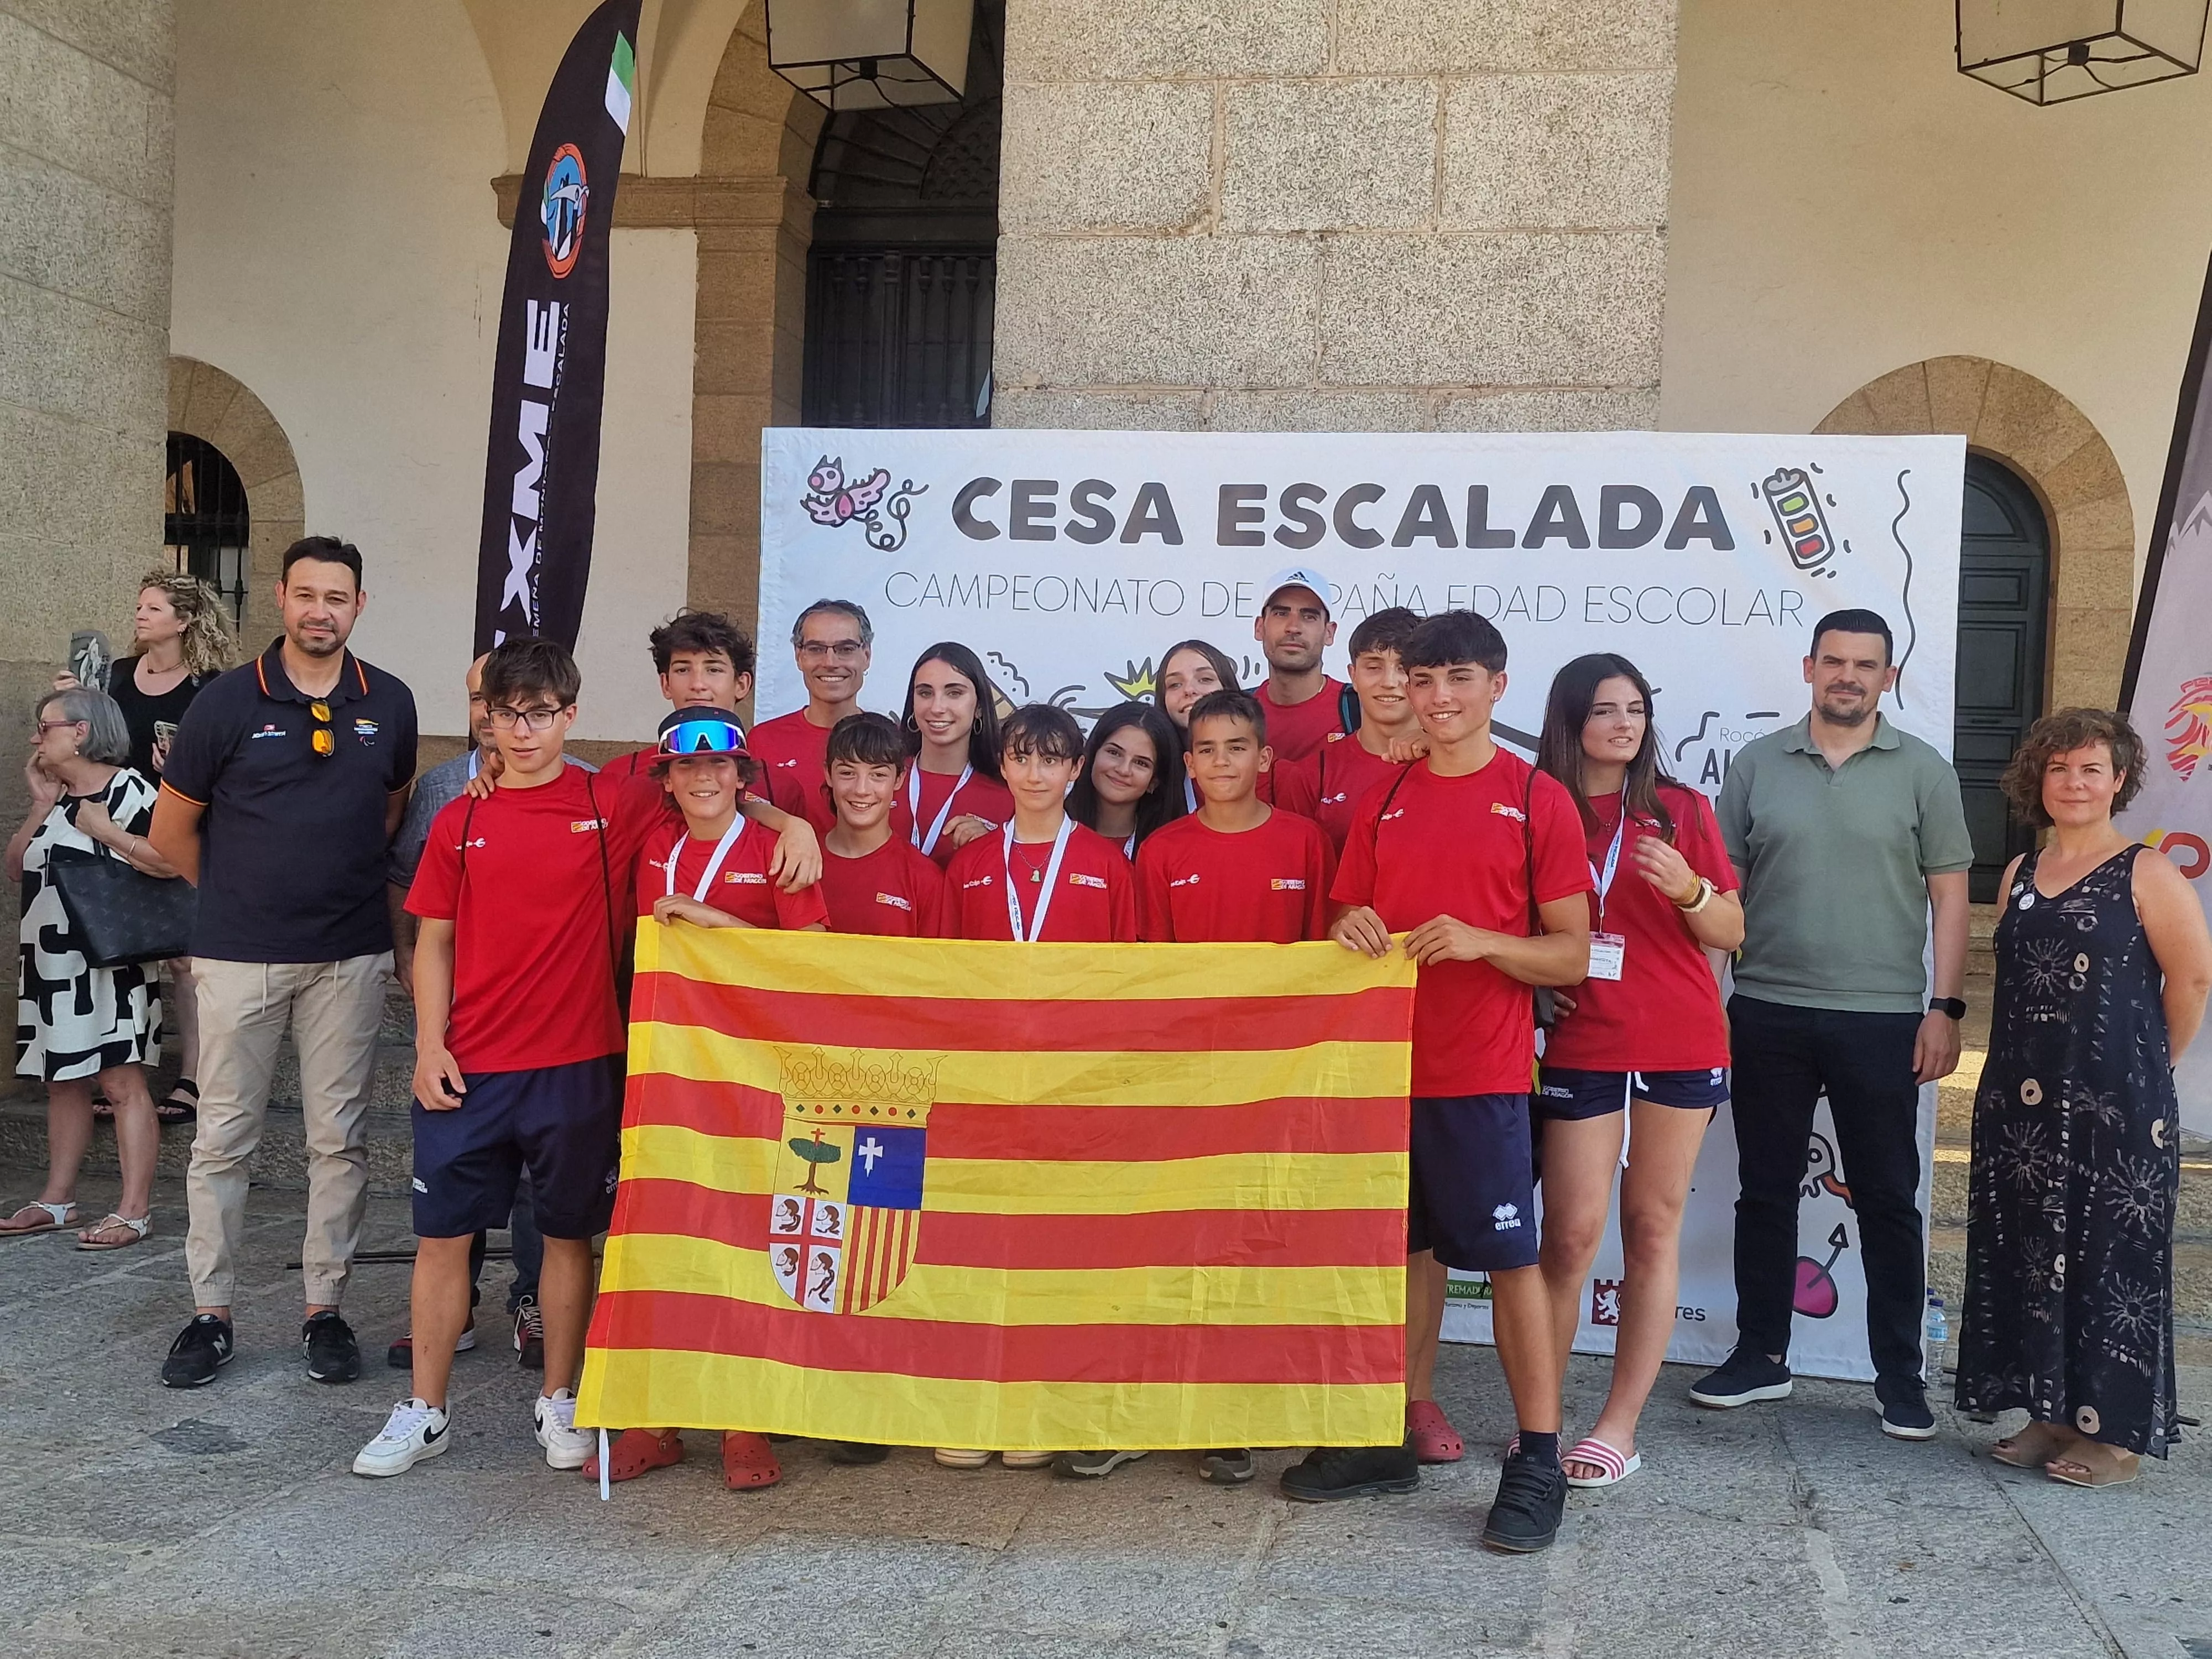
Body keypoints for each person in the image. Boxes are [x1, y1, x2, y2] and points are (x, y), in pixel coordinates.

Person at [1304, 609, 1591, 1556]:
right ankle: (1386, 1435)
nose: (1439, 698)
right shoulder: (1387, 796)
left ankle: (1539, 1460)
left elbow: (1572, 955)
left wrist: (1482, 942)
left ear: (1498, 687)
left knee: (1510, 1265)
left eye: (1459, 679)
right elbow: (1351, 908)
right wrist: (1349, 925)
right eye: (1423, 682)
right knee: (1400, 1255)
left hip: (1482, 1076)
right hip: (1386, 1071)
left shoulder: (1536, 796)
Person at [355, 638, 659, 1478]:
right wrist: (426, 1046)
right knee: (444, 1238)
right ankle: (425, 1410)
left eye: (540, 713)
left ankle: (560, 1399)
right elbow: (433, 943)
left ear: (570, 714)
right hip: (471, 1065)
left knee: (567, 1237)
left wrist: (784, 825)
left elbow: (718, 786)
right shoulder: (461, 815)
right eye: (506, 714)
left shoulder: (614, 803)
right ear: (484, 717)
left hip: (577, 1063)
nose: (522, 731)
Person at [1693, 608, 1973, 1442]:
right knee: (1765, 1192)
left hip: (1884, 1018)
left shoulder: (1924, 771)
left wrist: (1946, 1008)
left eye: (1866, 664)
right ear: (1809, 668)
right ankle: (1760, 1357)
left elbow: (1951, 898)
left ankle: (1899, 1379)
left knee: (1889, 1199)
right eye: (1835, 661)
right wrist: (1708, 1006)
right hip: (1768, 1008)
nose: (1848, 675)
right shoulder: (1757, 765)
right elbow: (1720, 900)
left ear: (1889, 677)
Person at [150, 536, 419, 1390]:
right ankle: (211, 1314)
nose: (320, 611)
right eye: (306, 595)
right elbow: (169, 833)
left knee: (337, 1142)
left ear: (359, 605)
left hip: (348, 955)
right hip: (240, 957)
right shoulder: (227, 704)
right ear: (281, 598)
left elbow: (388, 814)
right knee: (223, 1140)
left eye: (336, 597)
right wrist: (237, 895)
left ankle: (324, 1310)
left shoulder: (392, 702)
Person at [1956, 709, 2212, 1486]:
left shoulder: (2147, 872)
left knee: (2111, 1261)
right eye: (2060, 767)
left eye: (2091, 769)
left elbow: (2191, 981)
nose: (2074, 782)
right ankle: (2052, 1415)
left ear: (2120, 781)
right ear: (2038, 778)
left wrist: (2145, 1073)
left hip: (2118, 1105)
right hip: (2021, 1105)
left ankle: (2119, 1438)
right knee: (2033, 1252)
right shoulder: (2018, 873)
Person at [582, 705, 828, 1492]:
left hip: (757, 1080)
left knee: (746, 1241)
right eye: (686, 768)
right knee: (666, 1240)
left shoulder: (774, 848)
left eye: (719, 766)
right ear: (668, 778)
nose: (703, 778)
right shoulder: (658, 844)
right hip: (670, 1078)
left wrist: (711, 920)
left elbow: (815, 960)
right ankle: (658, 1422)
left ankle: (742, 1422)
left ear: (742, 775)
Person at [1530, 655, 1744, 1490]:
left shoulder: (1680, 808)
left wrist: (1691, 889)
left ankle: (1618, 1427)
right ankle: (1540, 1423)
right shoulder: (1537, 806)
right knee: (1570, 1237)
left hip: (1680, 1040)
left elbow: (1731, 930)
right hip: (1583, 1043)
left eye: (1637, 709)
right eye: (1605, 710)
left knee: (1651, 1231)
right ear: (1571, 719)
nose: (1625, 724)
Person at [1128, 688, 1333, 1488]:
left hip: (1280, 1084)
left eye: (1236, 748)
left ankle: (1242, 1411)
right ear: (1190, 762)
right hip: (1192, 1085)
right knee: (1190, 1242)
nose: (1221, 763)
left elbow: (1326, 963)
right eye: (1206, 749)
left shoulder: (1306, 843)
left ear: (1265, 758)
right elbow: (1150, 976)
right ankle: (1181, 1400)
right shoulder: (1165, 851)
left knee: (1262, 1246)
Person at [938, 702, 1135, 1473]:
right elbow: (946, 981)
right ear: (1005, 767)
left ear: (1075, 770)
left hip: (1073, 1088)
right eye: (1022, 758)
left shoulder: (1105, 862)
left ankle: (1037, 1404)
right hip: (986, 1088)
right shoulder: (971, 864)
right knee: (982, 1244)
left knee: (1057, 1250)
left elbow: (1129, 982)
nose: (1035, 773)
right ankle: (977, 1403)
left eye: (1052, 760)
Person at [384, 652, 546, 1373]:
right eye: (482, 698)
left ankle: (534, 1300)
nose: (493, 714)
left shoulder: (588, 796)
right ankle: (456, 1307)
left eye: (510, 700)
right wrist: (404, 958)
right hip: (461, 1019)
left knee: (541, 1183)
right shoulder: (443, 788)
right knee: (458, 1171)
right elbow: (402, 879)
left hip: (546, 1030)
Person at [0, 688, 180, 1249]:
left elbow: (172, 862)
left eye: (44, 726)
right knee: (62, 1081)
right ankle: (58, 1200)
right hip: (53, 966)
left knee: (122, 1083)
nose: (36, 738)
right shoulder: (56, 796)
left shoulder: (131, 791)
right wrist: (38, 805)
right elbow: (16, 868)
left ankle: (134, 1210)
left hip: (111, 963)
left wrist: (106, 833)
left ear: (80, 733)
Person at [58, 572, 235, 1127]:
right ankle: (116, 1069)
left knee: (185, 961)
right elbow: (93, 741)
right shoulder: (113, 677)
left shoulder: (208, 688)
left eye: (153, 608)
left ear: (183, 621)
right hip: (113, 820)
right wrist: (73, 702)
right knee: (118, 948)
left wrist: (180, 767)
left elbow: (227, 761)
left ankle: (195, 1079)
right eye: (139, 606)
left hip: (182, 827)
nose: (140, 615)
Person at [1273, 606, 1423, 855]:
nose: (1388, 682)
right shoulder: (1312, 775)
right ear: (1353, 675)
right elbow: (1294, 876)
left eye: (1403, 668)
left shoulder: (1453, 763)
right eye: (1373, 667)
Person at [816, 712, 947, 939]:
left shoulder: (924, 880)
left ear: (899, 779)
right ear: (828, 774)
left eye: (878, 775)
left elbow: (935, 970)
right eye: (848, 773)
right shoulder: (800, 863)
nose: (862, 789)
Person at [749, 598, 873, 831]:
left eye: (845, 649)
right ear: (799, 656)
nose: (830, 663)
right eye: (816, 649)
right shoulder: (763, 740)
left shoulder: (892, 742)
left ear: (866, 655)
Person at [895, 643, 1015, 867]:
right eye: (925, 693)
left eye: (954, 693)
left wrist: (992, 847)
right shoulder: (879, 780)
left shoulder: (1010, 796)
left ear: (979, 707)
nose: (937, 707)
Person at [1066, 700, 1184, 858]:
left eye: (1141, 763)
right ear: (1093, 754)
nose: (1123, 770)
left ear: (1154, 781)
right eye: (1114, 753)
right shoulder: (1053, 831)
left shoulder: (1169, 850)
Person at [1253, 568, 1347, 765]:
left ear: (1329, 633)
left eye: (1309, 616)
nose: (1293, 627)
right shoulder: (1238, 712)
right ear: (1260, 628)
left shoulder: (1358, 710)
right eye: (1281, 613)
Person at [1154, 639, 1241, 812]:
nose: (1189, 690)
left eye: (1205, 679)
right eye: (1175, 684)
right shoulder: (1152, 771)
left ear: (1228, 688)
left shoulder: (1259, 765)